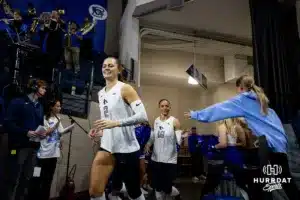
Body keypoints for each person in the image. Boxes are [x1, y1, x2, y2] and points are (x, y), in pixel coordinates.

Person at [184, 75, 300, 199]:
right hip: (280, 145)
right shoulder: (263, 102)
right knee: (283, 180)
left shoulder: (242, 100)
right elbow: (277, 126)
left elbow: (220, 108)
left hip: (267, 145)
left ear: (240, 88)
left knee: (265, 183)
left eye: (237, 90)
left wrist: (196, 114)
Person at [88, 57, 148, 200]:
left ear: (118, 69)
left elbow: (143, 116)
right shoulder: (101, 93)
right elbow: (107, 121)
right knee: (95, 192)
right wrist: (100, 131)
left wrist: (116, 123)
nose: (106, 68)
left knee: (133, 193)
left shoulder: (125, 88)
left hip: (127, 149)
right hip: (107, 147)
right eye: (104, 66)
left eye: (110, 65)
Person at [4, 79, 47, 200]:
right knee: (14, 178)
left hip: (33, 148)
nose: (44, 90)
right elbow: (8, 124)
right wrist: (26, 132)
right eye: (42, 88)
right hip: (19, 146)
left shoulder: (40, 106)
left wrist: (42, 134)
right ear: (34, 87)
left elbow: (40, 125)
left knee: (26, 179)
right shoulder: (18, 102)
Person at [28, 99, 74, 200]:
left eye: (60, 106)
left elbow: (60, 131)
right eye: (57, 106)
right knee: (37, 178)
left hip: (54, 153)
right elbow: (43, 133)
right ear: (51, 107)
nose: (59, 108)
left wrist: (66, 131)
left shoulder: (58, 118)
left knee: (48, 180)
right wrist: (55, 127)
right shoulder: (44, 118)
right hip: (44, 154)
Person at [145, 99, 182, 200]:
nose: (165, 108)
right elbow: (153, 137)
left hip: (169, 160)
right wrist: (148, 144)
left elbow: (179, 141)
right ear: (159, 107)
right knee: (157, 187)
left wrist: (180, 139)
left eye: (166, 106)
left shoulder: (175, 121)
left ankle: (177, 195)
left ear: (169, 107)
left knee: (167, 189)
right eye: (162, 106)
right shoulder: (156, 121)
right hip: (156, 159)